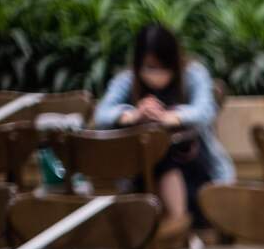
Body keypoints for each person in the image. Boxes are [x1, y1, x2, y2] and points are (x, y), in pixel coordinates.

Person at [94, 24, 234, 226]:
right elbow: (102, 114)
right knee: (158, 155)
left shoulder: (193, 74)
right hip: (140, 172)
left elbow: (205, 112)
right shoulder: (127, 79)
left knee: (165, 156)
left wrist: (169, 116)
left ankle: (177, 224)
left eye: (163, 66)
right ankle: (176, 225)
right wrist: (134, 115)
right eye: (150, 67)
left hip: (194, 165)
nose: (157, 74)